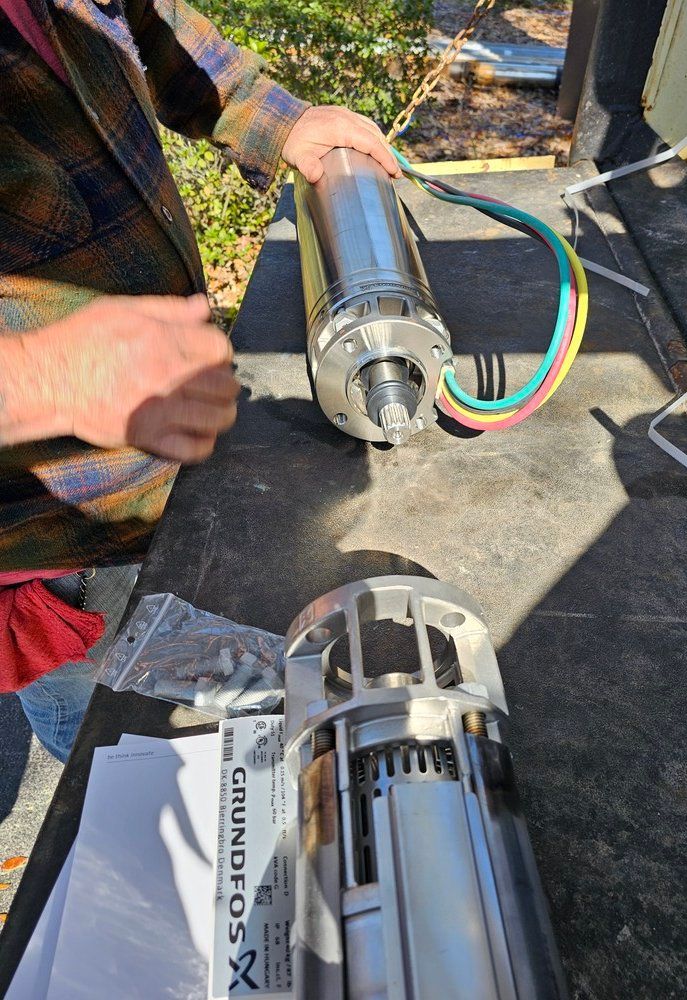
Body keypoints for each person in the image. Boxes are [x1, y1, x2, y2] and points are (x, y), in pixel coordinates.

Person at [0, 0, 401, 760]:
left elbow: (146, 21)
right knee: (100, 740)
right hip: (39, 544)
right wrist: (37, 374)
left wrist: (274, 117)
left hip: (158, 474)